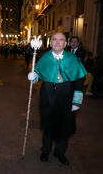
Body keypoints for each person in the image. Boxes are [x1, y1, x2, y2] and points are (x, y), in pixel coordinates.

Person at [28, 33, 87, 165]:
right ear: (50, 43)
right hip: (47, 97)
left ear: (65, 44)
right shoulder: (45, 57)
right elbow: (38, 74)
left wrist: (77, 99)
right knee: (48, 126)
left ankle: (60, 152)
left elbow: (79, 79)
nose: (57, 42)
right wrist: (34, 77)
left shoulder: (72, 59)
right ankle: (45, 150)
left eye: (61, 40)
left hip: (66, 98)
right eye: (54, 39)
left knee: (64, 128)